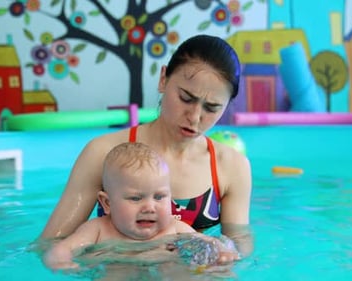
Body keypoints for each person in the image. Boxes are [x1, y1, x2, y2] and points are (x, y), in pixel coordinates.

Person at [40, 34, 253, 257]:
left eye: (211, 108)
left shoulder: (231, 167)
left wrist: (223, 257)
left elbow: (239, 248)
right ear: (163, 79)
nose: (195, 116)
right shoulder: (103, 153)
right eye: (186, 98)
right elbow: (52, 243)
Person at [43, 142, 238, 270]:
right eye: (136, 199)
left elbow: (207, 242)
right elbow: (65, 248)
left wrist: (222, 252)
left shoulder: (174, 228)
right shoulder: (98, 229)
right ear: (107, 203)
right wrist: (61, 259)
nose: (149, 207)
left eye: (159, 197)